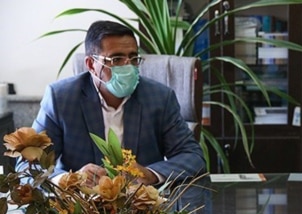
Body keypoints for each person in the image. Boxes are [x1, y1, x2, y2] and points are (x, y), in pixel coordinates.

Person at [27, 20, 204, 185]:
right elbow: (29, 165)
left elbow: (192, 156)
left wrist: (148, 174)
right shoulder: (61, 98)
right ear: (90, 64)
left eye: (133, 58)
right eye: (116, 59)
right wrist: (69, 179)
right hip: (80, 209)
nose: (128, 67)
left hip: (142, 208)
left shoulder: (159, 97)